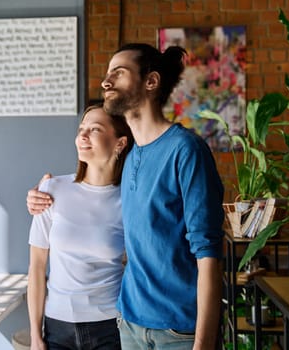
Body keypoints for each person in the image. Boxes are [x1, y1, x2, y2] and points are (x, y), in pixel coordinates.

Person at [27, 43, 225, 350]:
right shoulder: (133, 159)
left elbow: (209, 254)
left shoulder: (186, 150)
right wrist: (41, 195)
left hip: (178, 332)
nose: (106, 82)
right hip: (129, 325)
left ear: (151, 81)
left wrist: (203, 343)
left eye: (118, 74)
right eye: (107, 75)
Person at [27, 104, 133, 350]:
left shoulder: (128, 200)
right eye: (81, 129)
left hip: (110, 327)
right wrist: (35, 334)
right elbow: (37, 267)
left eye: (95, 129)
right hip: (57, 328)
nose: (82, 136)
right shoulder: (50, 190)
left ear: (120, 143)